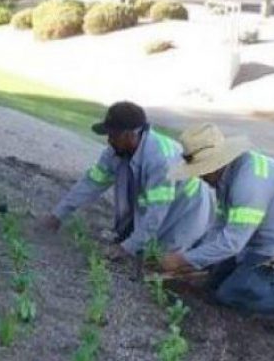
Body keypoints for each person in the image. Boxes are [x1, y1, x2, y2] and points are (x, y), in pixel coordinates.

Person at [159, 123, 274, 333]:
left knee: (233, 294)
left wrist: (184, 259)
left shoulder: (248, 183)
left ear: (215, 164)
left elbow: (232, 242)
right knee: (213, 282)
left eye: (201, 171)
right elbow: (222, 225)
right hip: (261, 241)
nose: (199, 176)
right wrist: (196, 257)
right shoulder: (227, 177)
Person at [42, 102, 212, 261]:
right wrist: (57, 215)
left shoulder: (159, 161)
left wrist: (125, 249)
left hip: (187, 211)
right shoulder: (115, 151)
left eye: (113, 135)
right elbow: (90, 183)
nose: (109, 140)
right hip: (163, 204)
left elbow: (156, 212)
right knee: (140, 246)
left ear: (130, 134)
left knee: (160, 261)